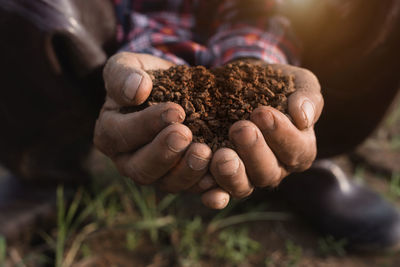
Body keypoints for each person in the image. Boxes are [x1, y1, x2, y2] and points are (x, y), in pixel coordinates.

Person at [0, 0, 399, 250]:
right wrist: (152, 70)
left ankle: (299, 147)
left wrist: (256, 66)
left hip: (287, 26)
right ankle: (45, 168)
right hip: (104, 25)